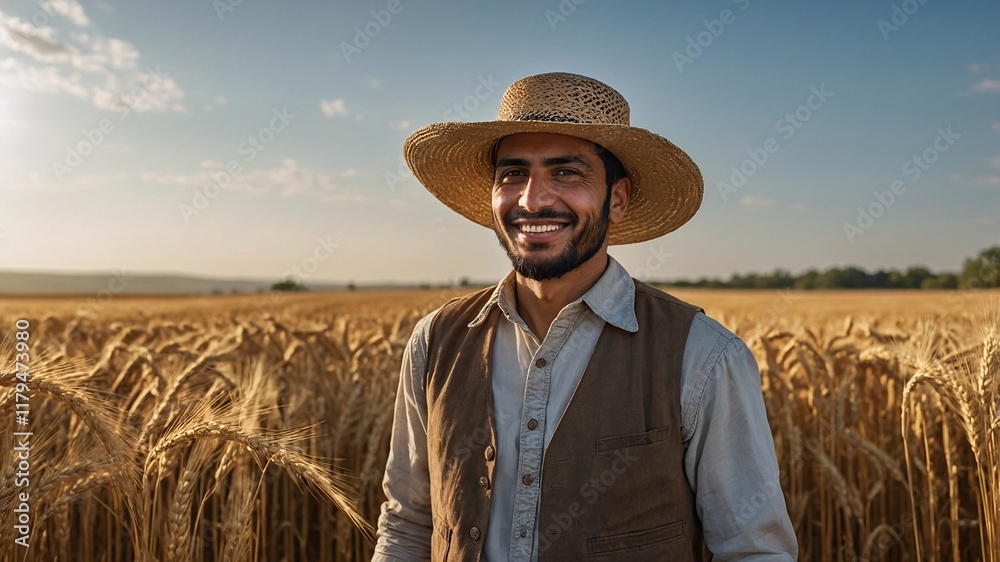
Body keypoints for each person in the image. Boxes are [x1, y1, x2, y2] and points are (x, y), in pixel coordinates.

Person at [372, 72, 797, 561]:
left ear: (616, 199)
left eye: (566, 173)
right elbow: (407, 524)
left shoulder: (702, 355)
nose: (532, 200)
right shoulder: (435, 342)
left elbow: (754, 552)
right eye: (513, 174)